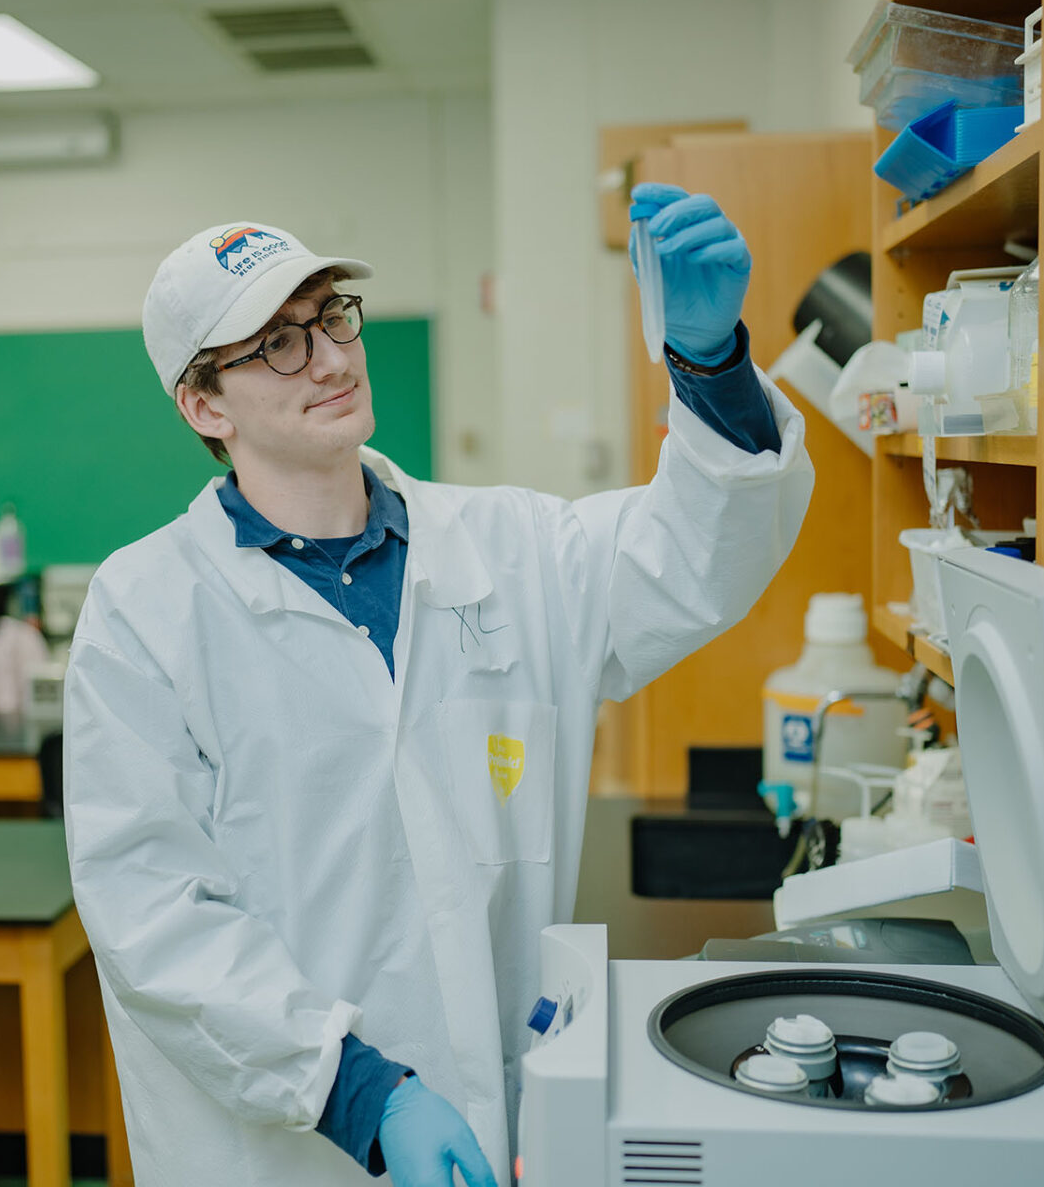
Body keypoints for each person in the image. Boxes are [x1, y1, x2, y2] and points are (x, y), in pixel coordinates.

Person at [65, 185, 814, 1187]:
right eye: (277, 343)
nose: (330, 355)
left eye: (330, 315)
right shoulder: (144, 611)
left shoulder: (512, 547)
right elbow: (151, 912)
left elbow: (693, 560)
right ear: (204, 404)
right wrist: (360, 1092)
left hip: (498, 1113)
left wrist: (711, 364)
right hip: (282, 1144)